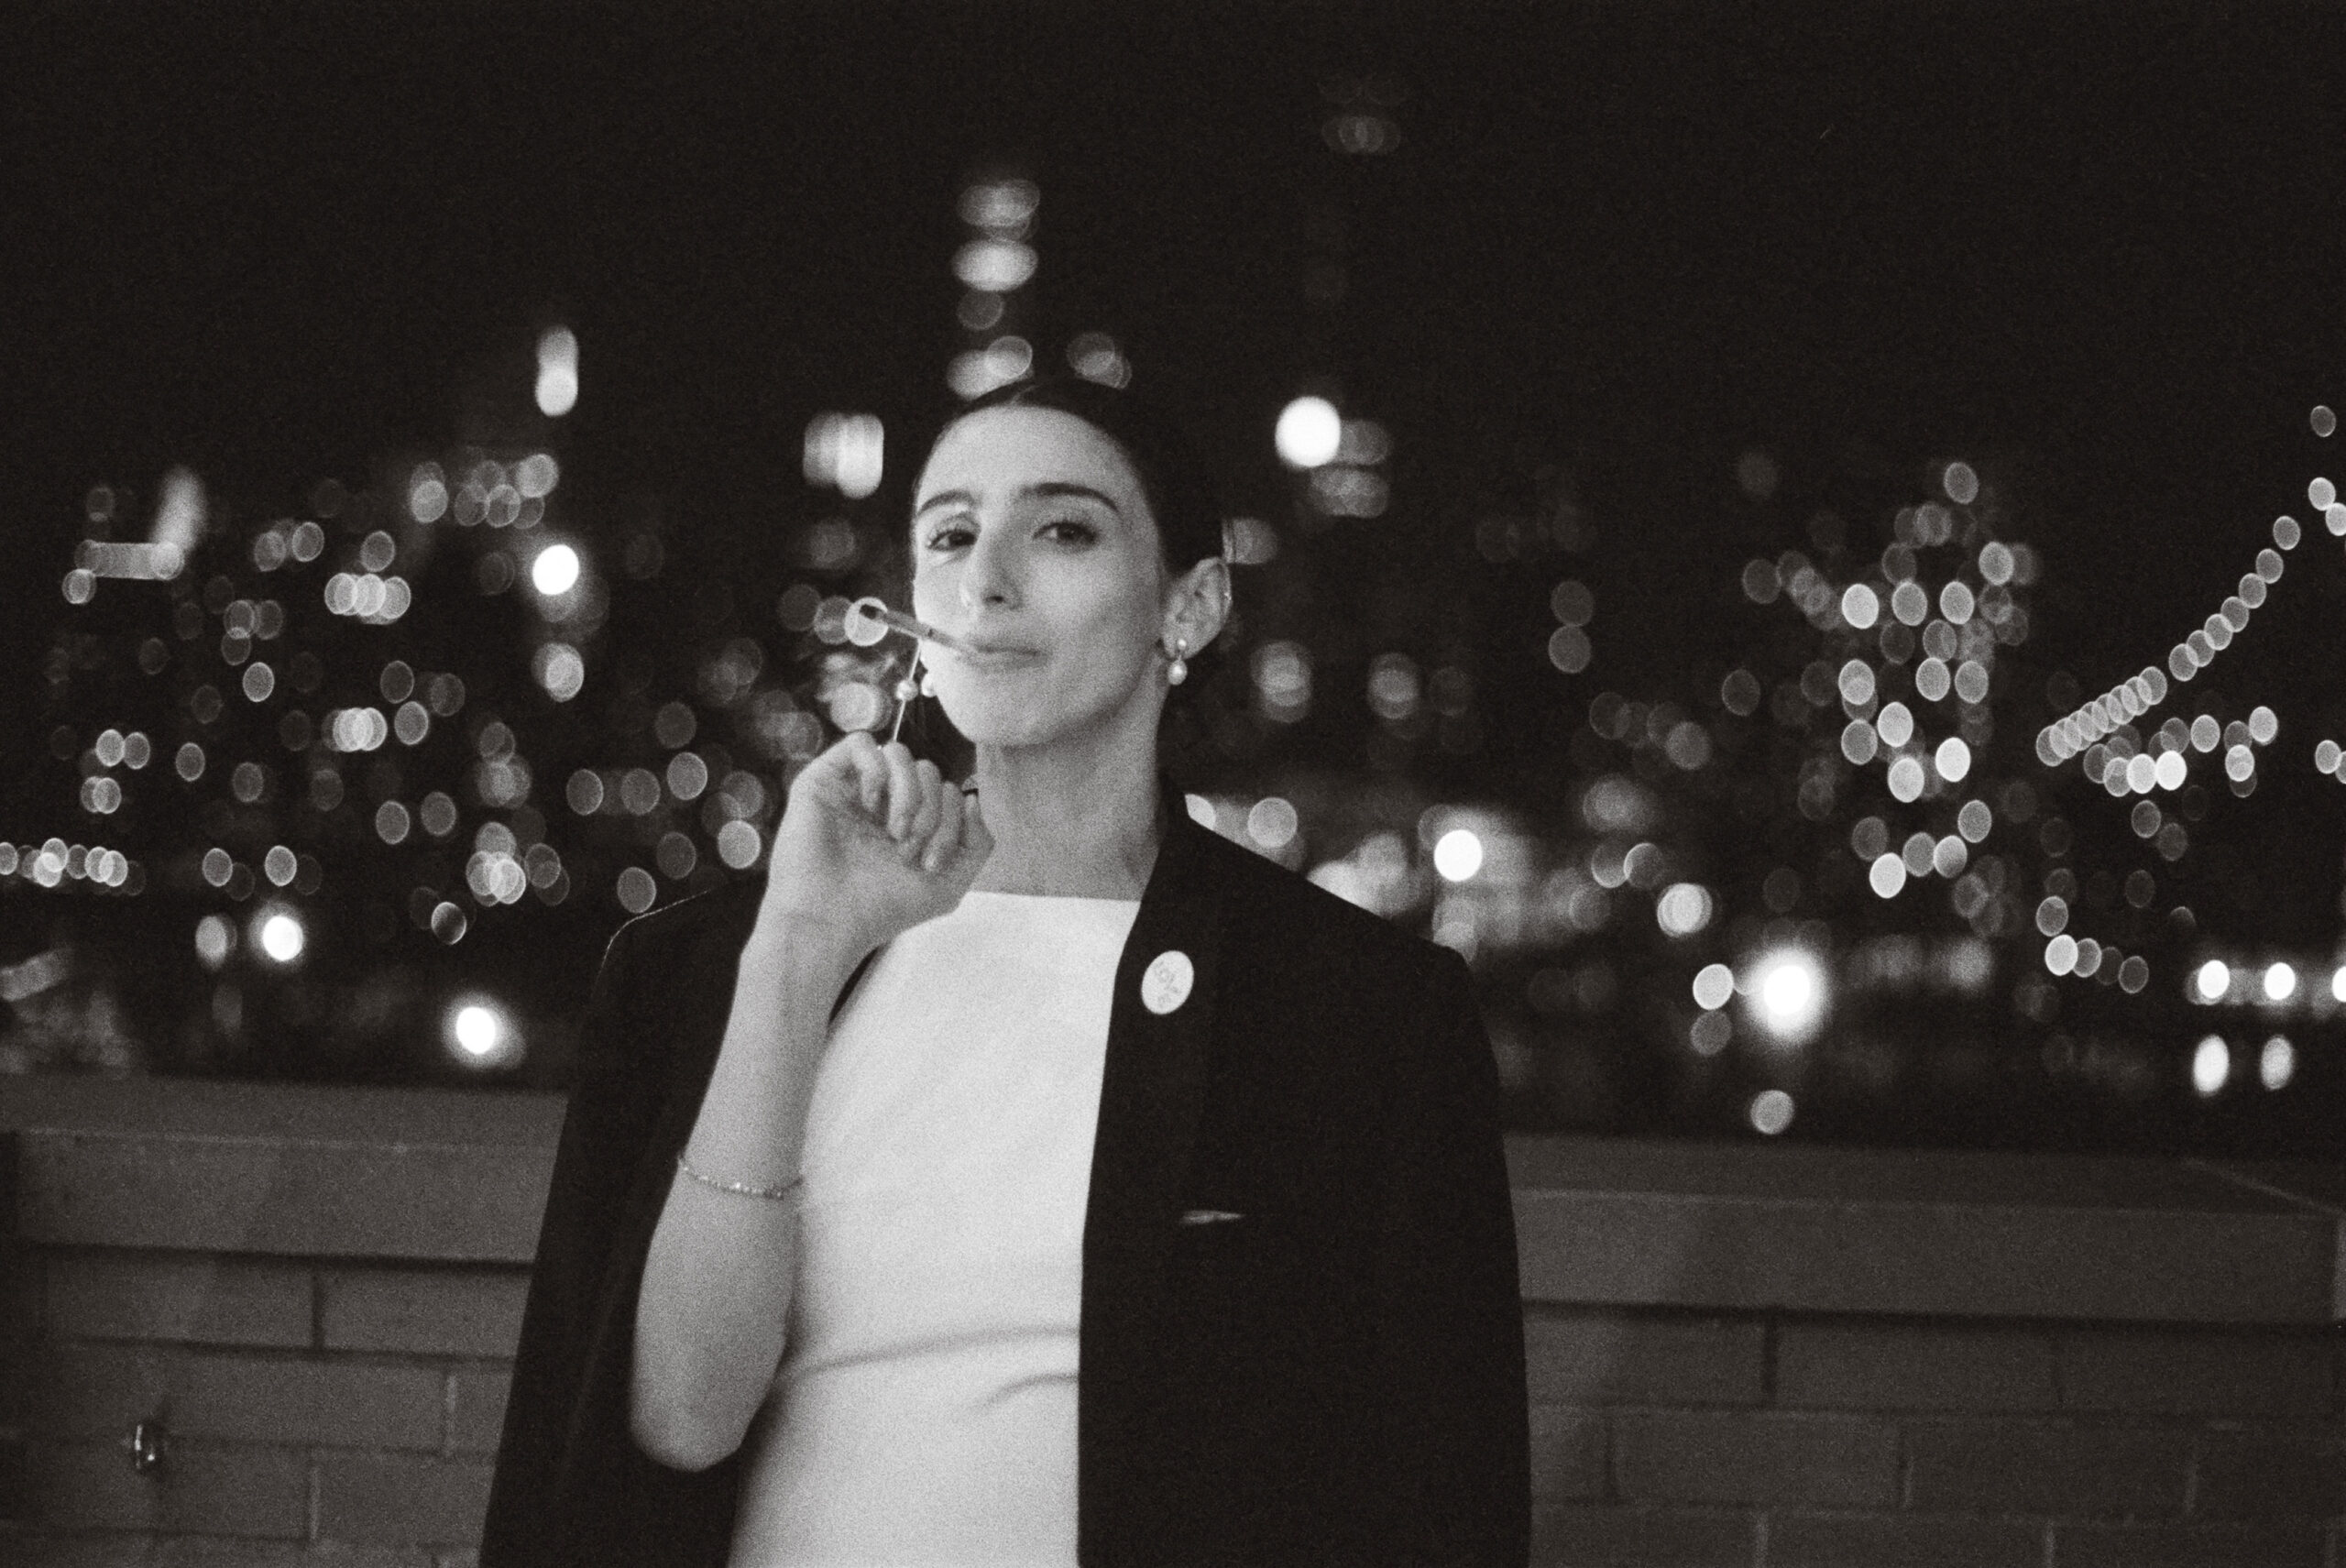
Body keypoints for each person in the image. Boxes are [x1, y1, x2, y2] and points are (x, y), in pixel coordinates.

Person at [481, 377, 1529, 1567]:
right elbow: (679, 1418)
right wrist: (796, 948)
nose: (988, 579)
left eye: (1064, 529)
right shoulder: (705, 969)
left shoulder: (1358, 1012)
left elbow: (1447, 1496)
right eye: (951, 535)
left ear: (1186, 608)